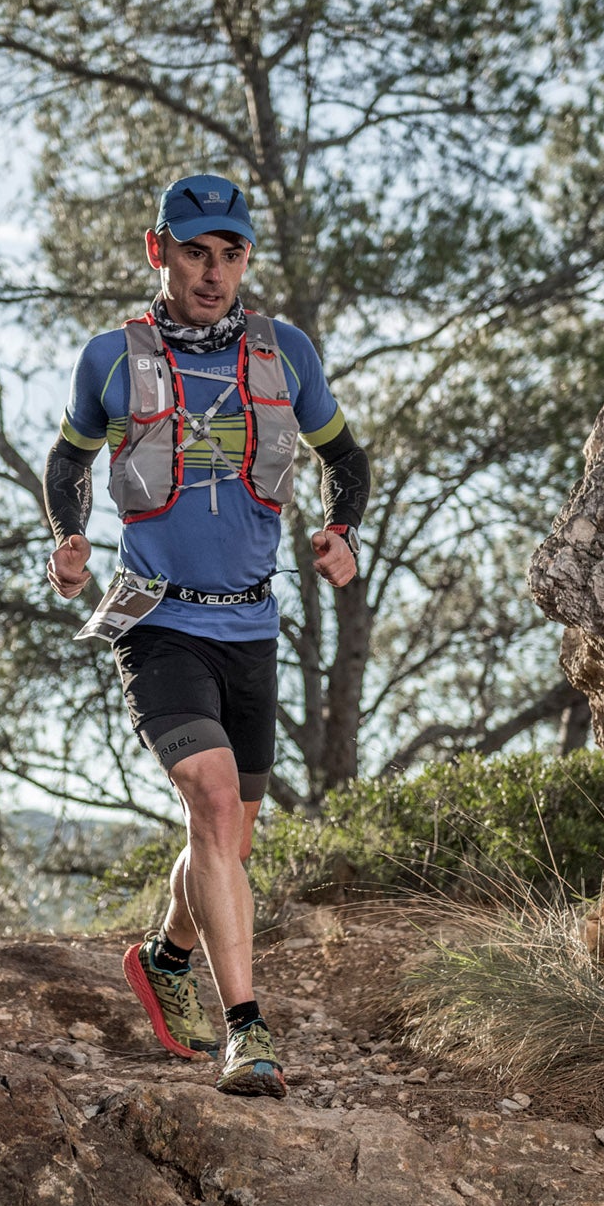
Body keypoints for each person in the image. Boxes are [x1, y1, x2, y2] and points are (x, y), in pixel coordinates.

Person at [41, 174, 369, 1097]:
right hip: (156, 620)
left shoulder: (285, 353)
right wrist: (68, 540)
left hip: (251, 624)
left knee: (228, 840)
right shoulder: (113, 358)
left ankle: (167, 954)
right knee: (214, 802)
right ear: (160, 252)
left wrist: (342, 534)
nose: (213, 272)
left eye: (230, 254)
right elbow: (68, 465)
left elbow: (345, 457)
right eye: (195, 252)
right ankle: (249, 1032)